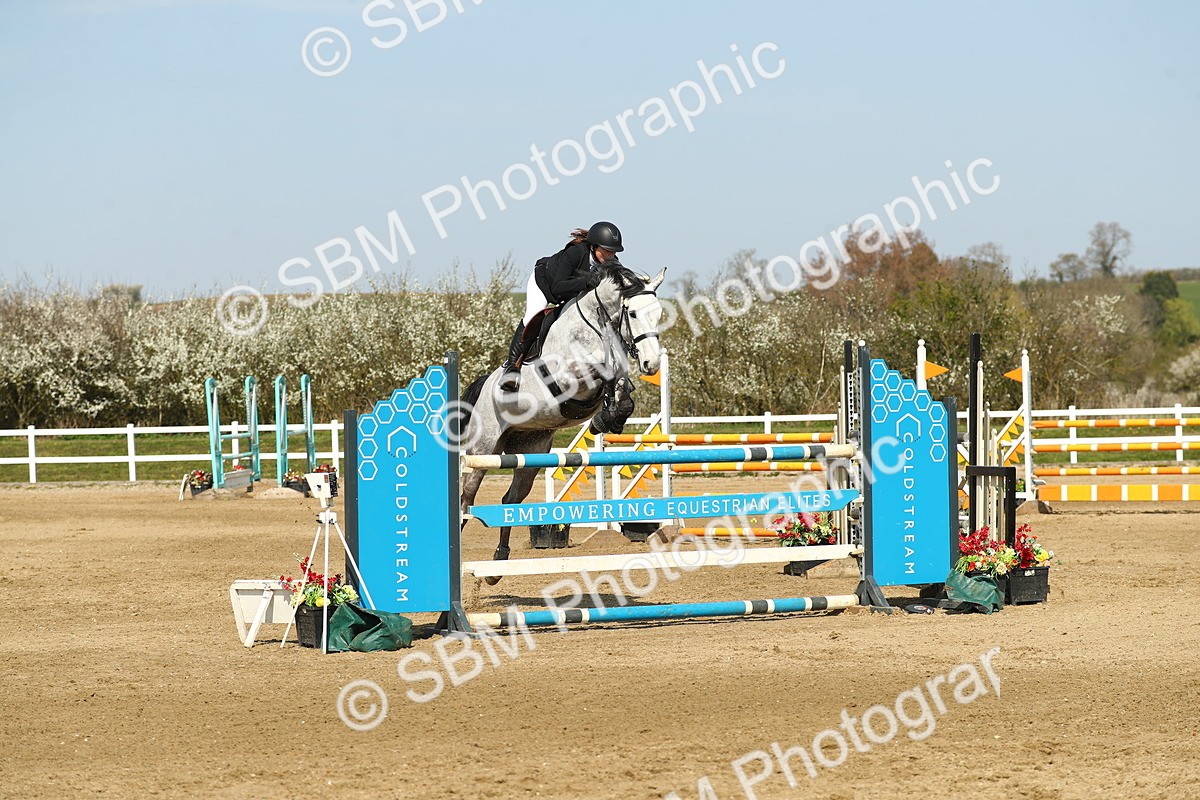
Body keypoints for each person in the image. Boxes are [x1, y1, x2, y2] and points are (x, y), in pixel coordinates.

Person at [499, 221, 624, 392]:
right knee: (532, 316)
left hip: (571, 293)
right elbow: (558, 287)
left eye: (614, 252)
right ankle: (512, 367)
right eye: (607, 250)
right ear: (594, 246)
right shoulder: (575, 253)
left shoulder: (612, 263)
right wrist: (587, 281)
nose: (611, 255)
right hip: (545, 284)